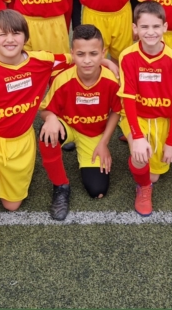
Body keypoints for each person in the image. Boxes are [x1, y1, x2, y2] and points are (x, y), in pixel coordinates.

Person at [0, 10, 119, 246]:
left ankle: (3, 176)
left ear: (25, 37)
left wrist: (105, 61)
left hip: (19, 143)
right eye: (2, 35)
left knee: (12, 205)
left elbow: (75, 57)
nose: (10, 39)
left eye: (16, 33)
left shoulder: (42, 61)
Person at [37, 25, 122, 220]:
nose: (87, 60)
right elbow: (46, 109)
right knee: (46, 134)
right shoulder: (63, 79)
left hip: (93, 134)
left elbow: (116, 111)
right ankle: (60, 186)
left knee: (97, 191)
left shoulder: (111, 81)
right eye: (81, 54)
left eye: (93, 54)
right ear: (72, 53)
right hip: (68, 126)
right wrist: (50, 118)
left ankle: (84, 151)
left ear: (103, 53)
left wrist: (104, 143)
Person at [118, 1, 172, 216]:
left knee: (154, 175)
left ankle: (146, 165)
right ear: (135, 28)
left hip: (162, 119)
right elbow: (128, 100)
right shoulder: (127, 56)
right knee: (140, 159)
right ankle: (143, 188)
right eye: (144, 27)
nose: (150, 32)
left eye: (156, 26)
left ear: (165, 27)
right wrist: (137, 136)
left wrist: (171, 142)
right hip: (136, 116)